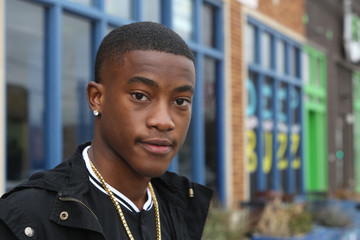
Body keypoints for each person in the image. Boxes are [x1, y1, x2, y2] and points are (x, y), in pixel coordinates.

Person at [0, 22, 213, 240]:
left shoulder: (179, 208)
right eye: (140, 95)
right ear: (97, 98)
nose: (164, 121)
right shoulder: (27, 219)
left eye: (180, 101)